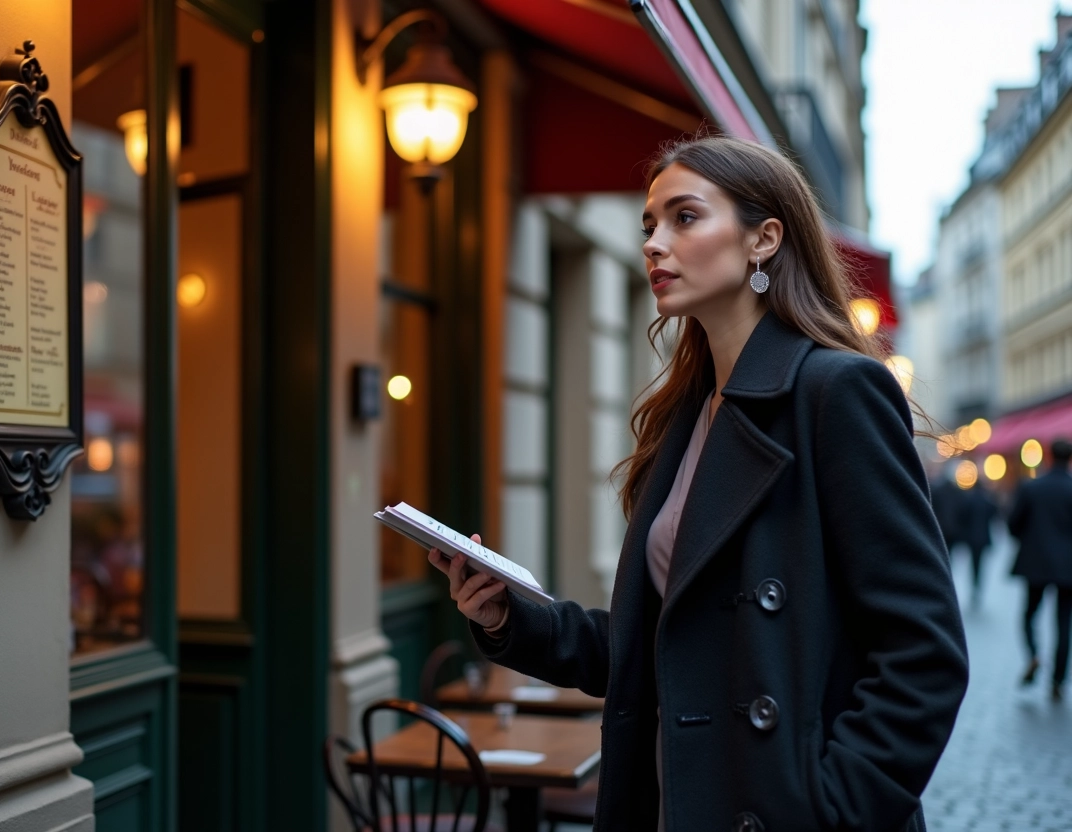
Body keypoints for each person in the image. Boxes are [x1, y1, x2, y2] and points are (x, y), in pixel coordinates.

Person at [429, 136, 968, 831]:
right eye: (649, 224)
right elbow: (658, 651)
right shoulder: (687, 414)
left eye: (684, 218)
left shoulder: (836, 392)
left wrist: (831, 810)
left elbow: (923, 653)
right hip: (671, 803)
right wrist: (509, 615)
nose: (655, 243)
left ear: (763, 240)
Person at [1007, 437, 1072, 702]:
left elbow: (1013, 524)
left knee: (1029, 614)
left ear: (1048, 456)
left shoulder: (1032, 488)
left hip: (1036, 563)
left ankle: (1033, 654)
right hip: (1068, 566)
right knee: (1063, 623)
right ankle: (1058, 680)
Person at [959, 477, 998, 606]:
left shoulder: (968, 500)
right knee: (980, 564)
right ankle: (978, 586)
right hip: (983, 538)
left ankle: (974, 586)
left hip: (971, 538)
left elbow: (962, 516)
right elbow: (994, 514)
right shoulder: (987, 501)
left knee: (973, 564)